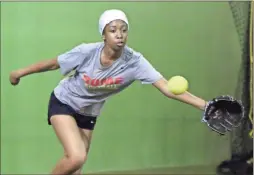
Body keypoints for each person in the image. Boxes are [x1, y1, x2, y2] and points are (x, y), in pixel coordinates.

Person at [9, 9, 207, 175]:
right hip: (64, 102)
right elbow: (53, 63)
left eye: (124, 30)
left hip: (89, 112)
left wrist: (205, 106)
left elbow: (166, 87)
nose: (119, 34)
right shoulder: (87, 52)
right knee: (77, 157)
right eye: (113, 30)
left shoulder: (135, 62)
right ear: (103, 35)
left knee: (75, 168)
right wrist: (20, 72)